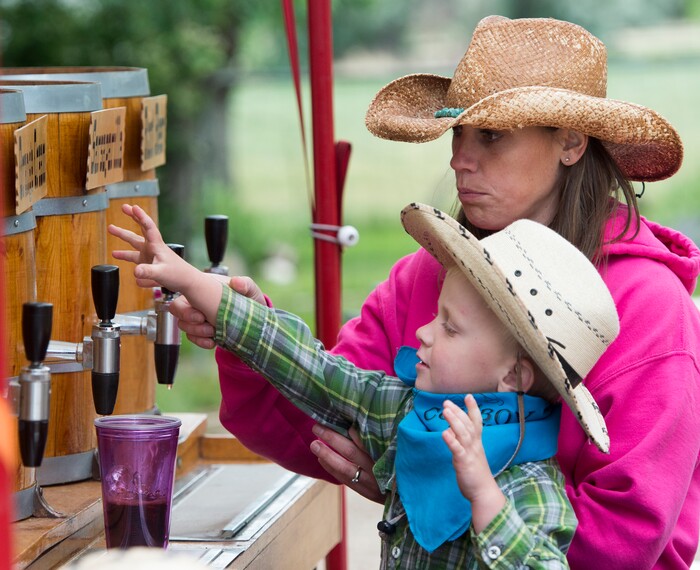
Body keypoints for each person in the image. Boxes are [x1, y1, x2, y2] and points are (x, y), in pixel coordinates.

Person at [171, 15, 700, 569]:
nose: (458, 161)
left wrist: (428, 487)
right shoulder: (426, 276)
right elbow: (317, 415)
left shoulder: (651, 310)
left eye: (491, 136)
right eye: (458, 133)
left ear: (570, 142)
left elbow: (620, 539)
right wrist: (246, 332)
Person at [109, 201, 620, 568]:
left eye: (449, 326)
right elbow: (311, 366)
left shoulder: (532, 487)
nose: (422, 330)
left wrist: (485, 497)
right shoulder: (401, 412)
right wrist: (195, 283)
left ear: (513, 375)